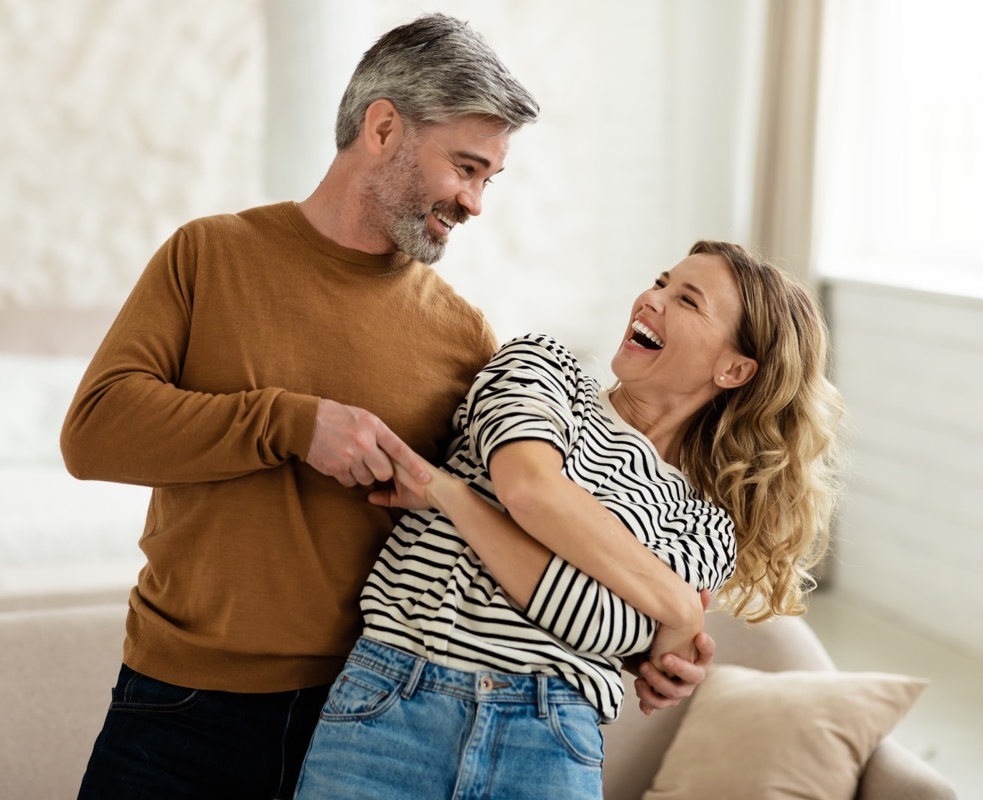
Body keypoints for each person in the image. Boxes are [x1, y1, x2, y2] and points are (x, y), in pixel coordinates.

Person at [63, 14, 707, 800]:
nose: (474, 202)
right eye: (465, 168)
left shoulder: (465, 338)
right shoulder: (209, 255)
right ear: (382, 127)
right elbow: (94, 434)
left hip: (372, 719)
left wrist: (645, 647)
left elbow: (491, 545)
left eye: (488, 180)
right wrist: (293, 425)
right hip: (178, 704)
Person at [293, 241, 845, 799]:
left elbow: (606, 626)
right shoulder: (543, 366)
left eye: (687, 300)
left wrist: (452, 495)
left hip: (552, 741)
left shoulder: (707, 527)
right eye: (660, 281)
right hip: (391, 699)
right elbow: (530, 488)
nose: (651, 300)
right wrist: (671, 602)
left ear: (733, 368)